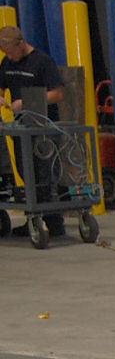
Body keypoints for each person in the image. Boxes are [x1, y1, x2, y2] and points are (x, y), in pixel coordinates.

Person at [0, 26, 69, 235]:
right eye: (6, 54)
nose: (10, 57)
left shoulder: (42, 62)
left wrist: (27, 102)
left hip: (43, 128)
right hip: (22, 127)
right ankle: (33, 217)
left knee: (45, 174)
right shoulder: (7, 63)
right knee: (25, 171)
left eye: (11, 52)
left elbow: (57, 94)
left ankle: (54, 223)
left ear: (21, 43)